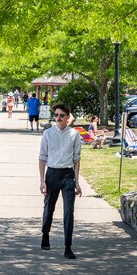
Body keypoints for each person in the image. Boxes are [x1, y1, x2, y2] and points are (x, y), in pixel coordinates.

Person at [39, 103, 82, 259]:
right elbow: (42, 158)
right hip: (52, 175)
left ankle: (68, 246)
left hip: (67, 175)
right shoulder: (48, 134)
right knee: (49, 208)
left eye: (61, 115)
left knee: (68, 211)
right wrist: (42, 181)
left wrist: (77, 183)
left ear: (67, 117)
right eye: (56, 115)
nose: (58, 118)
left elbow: (77, 160)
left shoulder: (74, 135)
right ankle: (45, 235)